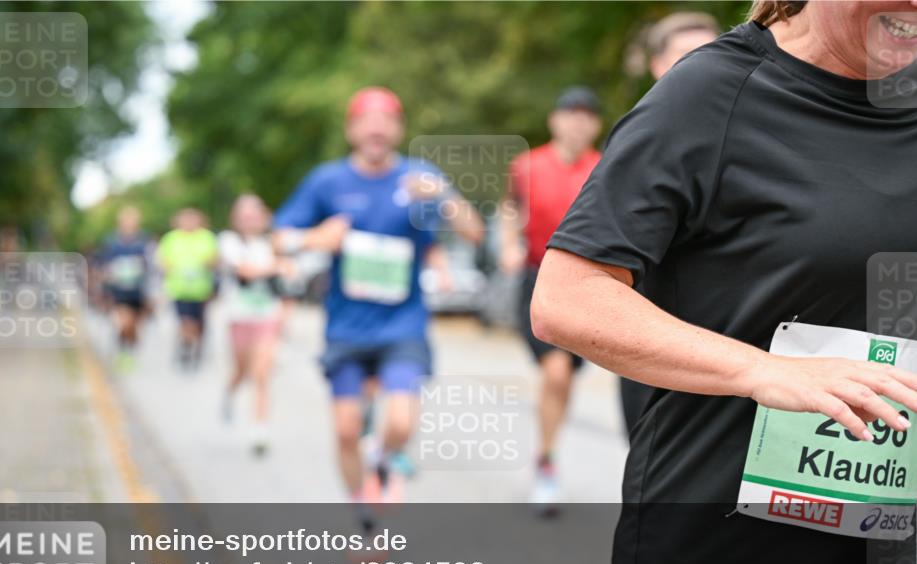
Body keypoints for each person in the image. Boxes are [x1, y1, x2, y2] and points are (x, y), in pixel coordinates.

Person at [531, 1, 917, 564]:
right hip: (711, 542)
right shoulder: (708, 95)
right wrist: (767, 371)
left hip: (891, 533)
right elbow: (567, 298)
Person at [274, 86, 483, 531]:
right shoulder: (327, 182)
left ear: (398, 129)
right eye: (366, 121)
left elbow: (474, 233)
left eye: (386, 120)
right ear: (351, 130)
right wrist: (313, 238)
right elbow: (279, 238)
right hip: (346, 328)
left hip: (402, 325)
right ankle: (362, 510)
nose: (376, 129)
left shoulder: (420, 178)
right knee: (346, 430)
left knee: (401, 423)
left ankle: (383, 458)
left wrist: (444, 195)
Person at [499, 86, 603, 517]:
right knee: (556, 371)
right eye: (570, 114)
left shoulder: (605, 167)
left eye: (586, 116)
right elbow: (510, 210)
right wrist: (508, 244)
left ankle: (547, 451)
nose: (577, 123)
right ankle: (546, 464)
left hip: (587, 283)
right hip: (537, 277)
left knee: (564, 378)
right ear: (554, 120)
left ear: (595, 125)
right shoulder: (526, 165)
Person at [620, 13, 720, 437]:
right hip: (656, 344)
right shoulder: (639, 140)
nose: (705, 67)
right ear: (657, 65)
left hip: (741, 351)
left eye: (713, 53)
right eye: (687, 56)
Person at [219, 194, 287, 456]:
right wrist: (276, 266)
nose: (249, 220)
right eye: (244, 216)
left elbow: (290, 272)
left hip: (267, 316)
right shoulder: (229, 242)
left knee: (261, 374)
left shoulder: (273, 242)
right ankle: (230, 391)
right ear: (236, 219)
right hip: (239, 317)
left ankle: (260, 429)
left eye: (254, 215)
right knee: (241, 372)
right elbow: (244, 271)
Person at [156, 208, 219, 371]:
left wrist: (203, 265)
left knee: (199, 323)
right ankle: (186, 345)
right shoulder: (171, 238)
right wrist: (173, 269)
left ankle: (196, 346)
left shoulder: (206, 237)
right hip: (179, 290)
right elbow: (162, 262)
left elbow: (215, 260)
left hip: (201, 290)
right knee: (186, 321)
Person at [100, 206, 151, 370]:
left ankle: (129, 349)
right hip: (119, 290)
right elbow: (104, 265)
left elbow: (151, 266)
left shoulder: (144, 241)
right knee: (124, 323)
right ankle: (123, 352)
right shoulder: (112, 242)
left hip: (138, 291)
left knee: (133, 327)